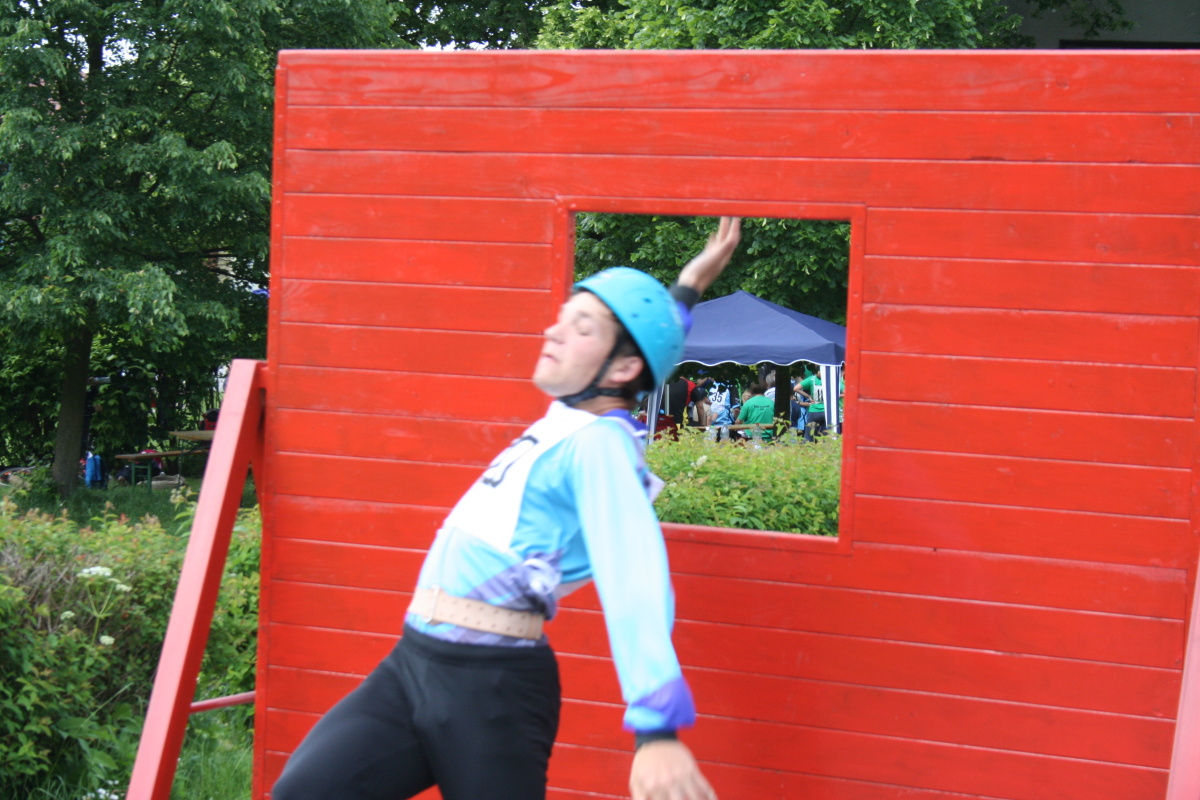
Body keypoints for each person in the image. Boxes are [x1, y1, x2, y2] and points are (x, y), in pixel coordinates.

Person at [272, 218, 742, 800]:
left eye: (581, 328)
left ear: (621, 369)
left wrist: (657, 729)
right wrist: (688, 289)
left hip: (491, 689)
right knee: (305, 792)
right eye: (563, 317)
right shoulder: (574, 417)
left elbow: (635, 577)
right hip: (415, 663)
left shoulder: (601, 447)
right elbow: (647, 347)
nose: (554, 331)